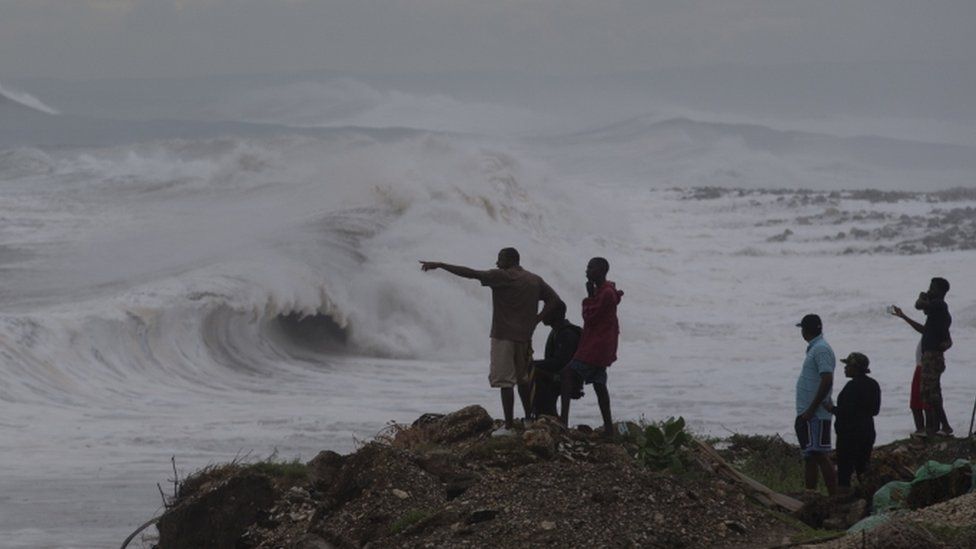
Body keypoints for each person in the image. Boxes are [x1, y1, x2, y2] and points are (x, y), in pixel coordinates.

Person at [420, 248, 560, 436]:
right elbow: (554, 300)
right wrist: (536, 319)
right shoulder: (534, 279)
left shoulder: (501, 276)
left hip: (503, 336)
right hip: (525, 337)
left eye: (499, 259)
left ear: (509, 260)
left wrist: (441, 265)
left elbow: (471, 274)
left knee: (505, 382)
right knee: (523, 380)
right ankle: (528, 419)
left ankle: (509, 426)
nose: (496, 263)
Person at [560, 257, 623, 437]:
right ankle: (609, 429)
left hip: (597, 346)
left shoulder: (606, 294)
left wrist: (589, 296)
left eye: (590, 267)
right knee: (599, 384)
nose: (587, 271)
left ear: (601, 271)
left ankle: (563, 423)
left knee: (567, 374)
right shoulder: (604, 291)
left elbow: (591, 316)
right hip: (602, 345)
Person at [890, 277, 953, 437]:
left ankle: (942, 427)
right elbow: (926, 330)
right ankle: (936, 428)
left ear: (939, 290)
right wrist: (904, 317)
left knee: (930, 393)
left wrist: (923, 296)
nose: (929, 289)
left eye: (932, 287)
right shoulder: (938, 315)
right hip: (931, 356)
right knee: (931, 393)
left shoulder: (940, 305)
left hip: (932, 357)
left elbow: (919, 305)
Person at [823, 352, 881, 493]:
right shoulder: (873, 384)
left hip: (850, 435)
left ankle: (843, 503)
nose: (845, 368)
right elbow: (875, 411)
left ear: (855, 368)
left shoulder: (851, 386)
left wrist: (832, 409)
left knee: (845, 471)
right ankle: (868, 498)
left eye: (847, 365)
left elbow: (846, 412)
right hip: (867, 431)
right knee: (863, 468)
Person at [795, 313, 838, 496]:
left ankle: (834, 496)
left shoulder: (821, 349)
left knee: (820, 455)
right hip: (808, 412)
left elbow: (827, 378)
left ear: (805, 330)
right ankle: (810, 494)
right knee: (810, 456)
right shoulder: (815, 348)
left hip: (816, 413)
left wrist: (812, 408)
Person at [529, 300, 581, 418]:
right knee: (530, 369)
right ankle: (543, 413)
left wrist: (533, 364)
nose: (543, 314)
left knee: (532, 371)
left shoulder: (567, 333)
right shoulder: (556, 331)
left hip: (568, 379)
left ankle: (546, 414)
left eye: (546, 311)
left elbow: (560, 363)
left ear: (556, 314)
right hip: (559, 375)